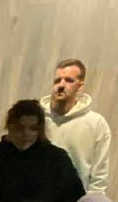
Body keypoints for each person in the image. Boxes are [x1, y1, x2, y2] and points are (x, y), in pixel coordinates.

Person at [39, 59, 111, 193]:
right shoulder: (37, 119)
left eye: (69, 80)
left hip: (74, 200)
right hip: (36, 200)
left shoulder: (96, 124)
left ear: (80, 86)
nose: (61, 85)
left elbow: (99, 178)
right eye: (57, 80)